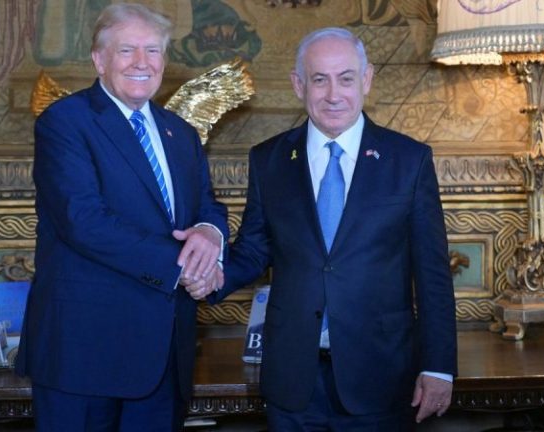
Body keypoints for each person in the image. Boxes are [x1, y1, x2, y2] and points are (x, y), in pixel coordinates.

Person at [188, 27, 457, 430]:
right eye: (319, 80)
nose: (334, 94)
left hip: (380, 375)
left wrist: (438, 367)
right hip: (293, 379)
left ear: (366, 80)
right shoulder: (269, 159)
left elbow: (433, 274)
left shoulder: (409, 160)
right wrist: (212, 276)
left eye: (346, 79)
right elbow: (256, 248)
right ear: (299, 85)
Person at [14, 3, 228, 431]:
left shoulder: (180, 133)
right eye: (127, 50)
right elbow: (83, 221)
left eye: (153, 50)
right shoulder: (65, 122)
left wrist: (210, 235)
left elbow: (206, 204)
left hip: (164, 356)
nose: (141, 62)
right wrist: (186, 266)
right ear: (99, 59)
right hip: (84, 354)